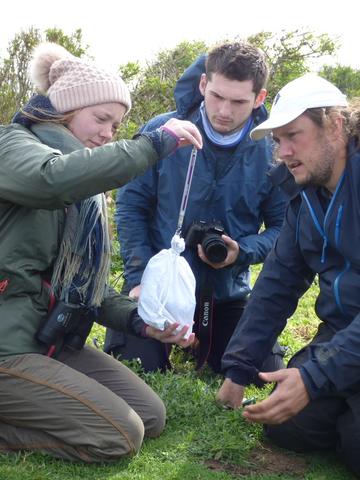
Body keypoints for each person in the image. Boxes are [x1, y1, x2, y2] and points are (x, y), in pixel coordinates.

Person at [0, 42, 203, 463]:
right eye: (101, 118)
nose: (109, 133)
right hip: (7, 342)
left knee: (149, 415)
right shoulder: (13, 147)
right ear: (65, 111)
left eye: (117, 124)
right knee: (119, 437)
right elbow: (50, 180)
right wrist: (152, 145)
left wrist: (142, 321)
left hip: (46, 337)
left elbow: (80, 286)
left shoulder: (83, 189)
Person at [104, 41, 287, 374]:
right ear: (203, 84)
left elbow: (283, 229)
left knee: (259, 372)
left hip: (225, 295)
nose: (224, 111)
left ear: (260, 98)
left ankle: (205, 340)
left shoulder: (274, 149)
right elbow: (131, 206)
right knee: (136, 369)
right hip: (157, 288)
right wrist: (138, 280)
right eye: (216, 96)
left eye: (238, 101)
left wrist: (241, 250)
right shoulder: (162, 130)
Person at [216, 73, 360, 476]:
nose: (284, 152)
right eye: (278, 141)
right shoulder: (303, 192)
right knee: (285, 426)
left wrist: (317, 377)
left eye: (293, 135)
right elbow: (277, 283)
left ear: (334, 125)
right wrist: (239, 369)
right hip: (343, 329)